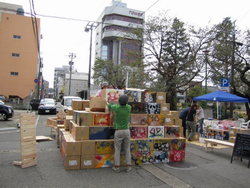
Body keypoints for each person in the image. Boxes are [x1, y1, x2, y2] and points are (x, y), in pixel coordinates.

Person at [106, 94, 132, 173]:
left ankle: (117, 167)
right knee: (127, 149)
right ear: (127, 101)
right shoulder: (128, 108)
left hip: (118, 131)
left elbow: (109, 105)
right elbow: (126, 104)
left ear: (119, 101)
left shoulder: (116, 108)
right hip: (127, 131)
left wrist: (106, 101)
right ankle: (128, 166)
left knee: (117, 149)